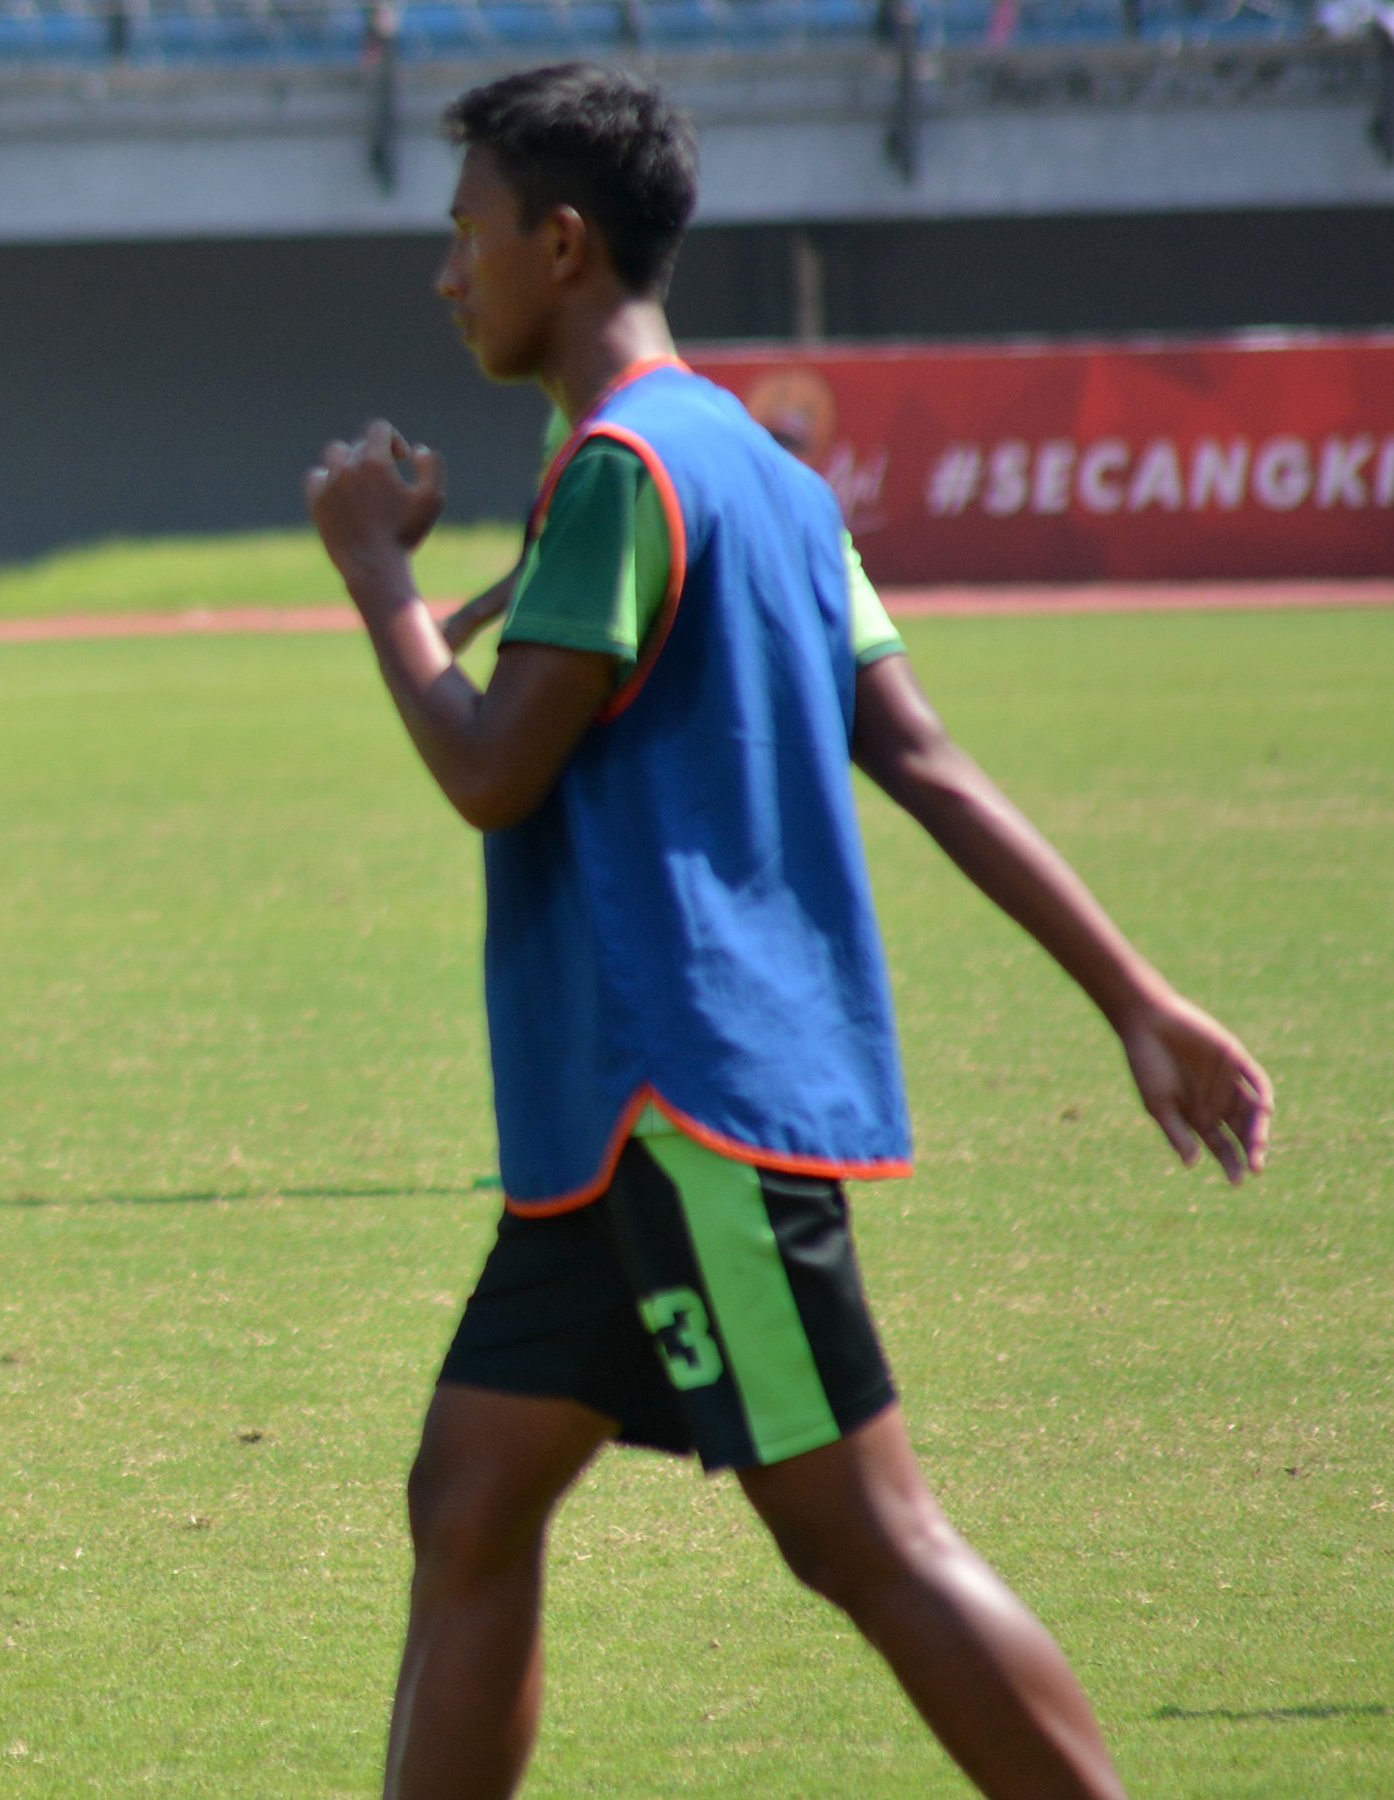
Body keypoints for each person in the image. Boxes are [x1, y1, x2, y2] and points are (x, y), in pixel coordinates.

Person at [302, 64, 1273, 1800]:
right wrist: (1139, 997)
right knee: (467, 1498)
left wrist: (376, 577)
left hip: (686, 1106)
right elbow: (926, 761)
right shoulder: (759, 471)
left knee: (866, 1539)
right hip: (619, 1125)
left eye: (467, 236)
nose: (448, 274)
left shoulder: (619, 473)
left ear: (564, 241)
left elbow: (490, 772)